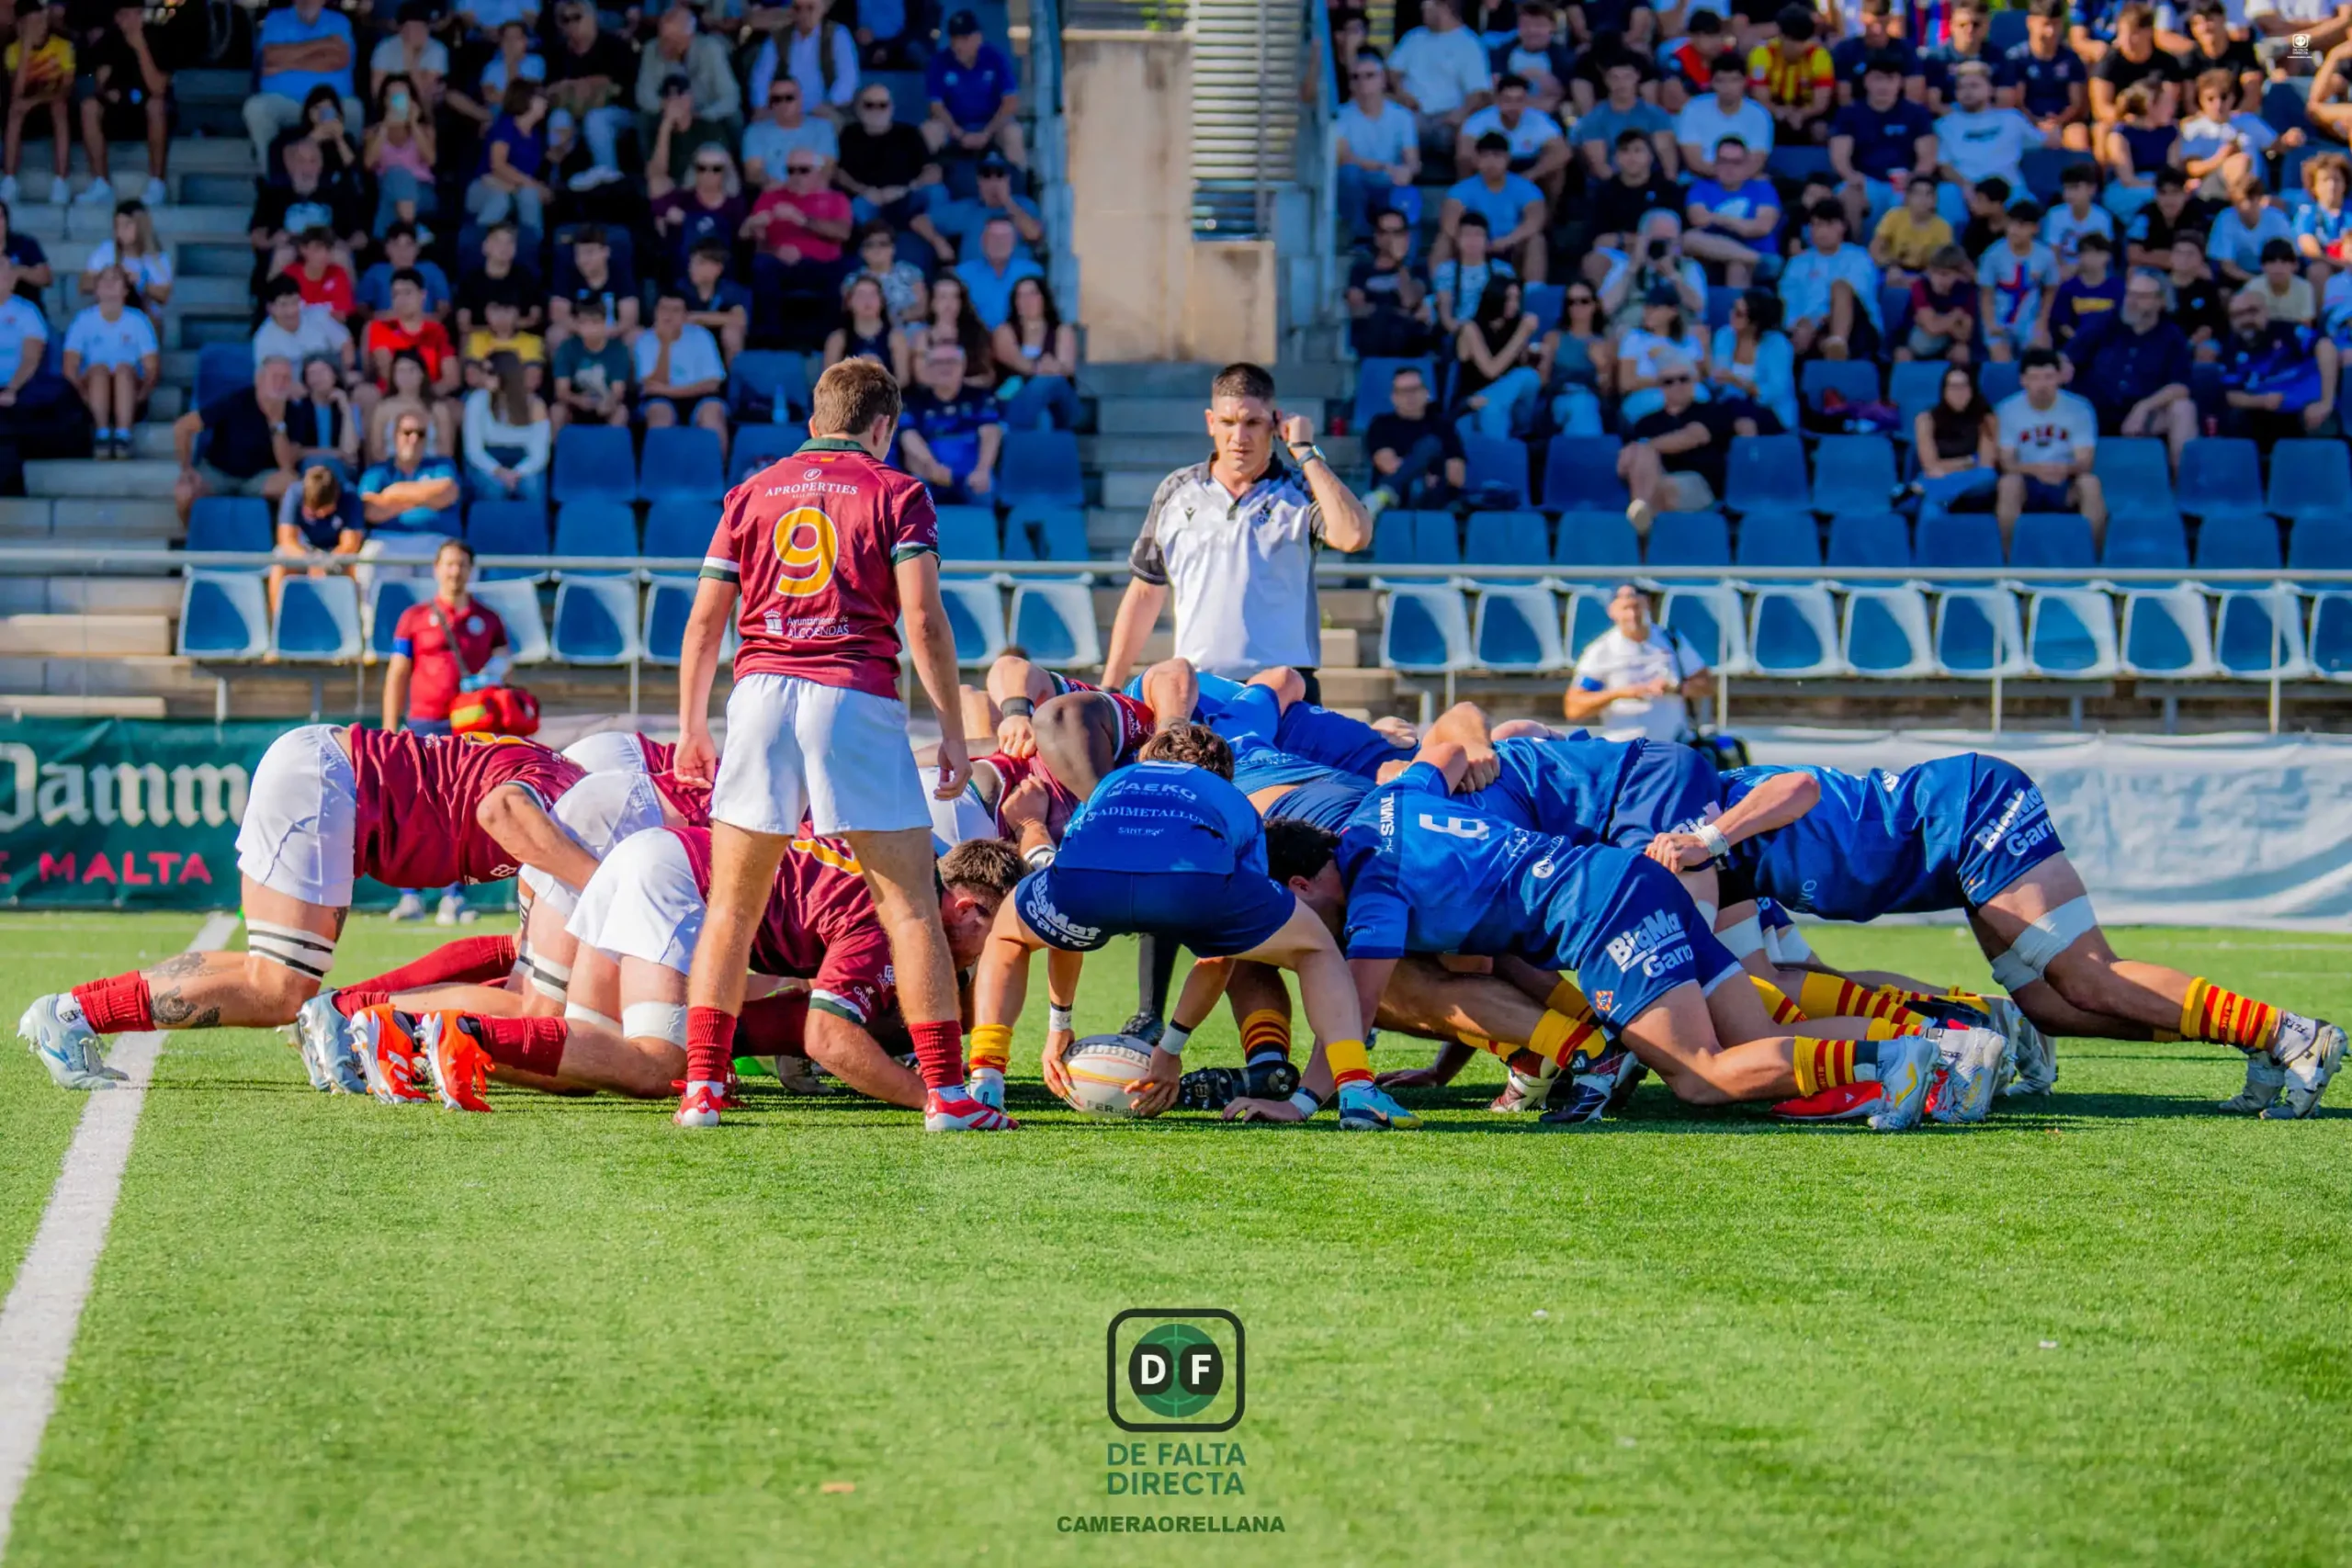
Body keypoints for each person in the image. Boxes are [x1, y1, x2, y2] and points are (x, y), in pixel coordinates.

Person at [1285, 742, 1964, 1129]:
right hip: (1632, 878)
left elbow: (1353, 1020)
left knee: (1701, 1074)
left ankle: (1889, 1063)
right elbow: (1450, 748)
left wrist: (1298, 1100)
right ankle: (1938, 1052)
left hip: (1606, 910)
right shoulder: (1392, 802)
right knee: (1755, 1043)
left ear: (1302, 884)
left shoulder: (1374, 896)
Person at [1653, 756, 2345, 1120]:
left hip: (1969, 810)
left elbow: (1798, 785)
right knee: (2053, 1005)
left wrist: (1708, 835)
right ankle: (2257, 1039)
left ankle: (2291, 1033)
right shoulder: (1724, 869)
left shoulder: (1722, 805)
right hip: (1954, 855)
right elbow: (1763, 985)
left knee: (2088, 974)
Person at [669, 358, 979, 1129]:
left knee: (732, 910)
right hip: (852, 692)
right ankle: (946, 1095)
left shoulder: (751, 491)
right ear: (883, 427)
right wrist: (952, 730)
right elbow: (925, 620)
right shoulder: (898, 490)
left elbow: (705, 623)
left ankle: (703, 1087)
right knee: (907, 906)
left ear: (814, 422)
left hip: (763, 694)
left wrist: (689, 726)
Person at [19, 727, 590, 1090]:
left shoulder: (572, 792)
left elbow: (519, 957)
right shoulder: (567, 803)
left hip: (328, 775)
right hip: (334, 785)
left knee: (270, 974)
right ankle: (69, 1016)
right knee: (276, 987)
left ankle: (75, 1011)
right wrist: (600, 879)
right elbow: (502, 811)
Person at [968, 730, 1414, 1131]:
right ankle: (1356, 1090)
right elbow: (1220, 955)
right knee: (1316, 947)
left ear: (1147, 758)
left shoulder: (1114, 783)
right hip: (1191, 884)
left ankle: (985, 1082)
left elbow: (1065, 930)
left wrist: (1059, 1025)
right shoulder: (1229, 798)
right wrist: (1170, 1049)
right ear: (1225, 776)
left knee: (1009, 934)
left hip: (1088, 881)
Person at [1102, 364, 1374, 691]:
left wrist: (1305, 452)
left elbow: (1354, 535)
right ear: (1210, 422)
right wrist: (1111, 687)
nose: (1239, 438)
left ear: (1276, 423)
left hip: (1284, 688)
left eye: (1253, 423)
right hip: (1199, 688)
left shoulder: (1301, 490)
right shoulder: (1176, 490)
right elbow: (1145, 591)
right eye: (1228, 422)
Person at [2061, 268, 2197, 463]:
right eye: (2130, 294)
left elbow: (2182, 386)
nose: (2132, 301)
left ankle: (2182, 486)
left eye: (2142, 296)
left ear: (2161, 301)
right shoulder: (2104, 322)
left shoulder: (2172, 336)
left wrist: (2144, 407)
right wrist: (2064, 367)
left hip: (2142, 417)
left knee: (2184, 409)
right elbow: (2067, 357)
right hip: (2094, 412)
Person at [1565, 582, 1712, 740]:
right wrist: (1619, 693)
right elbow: (1574, 707)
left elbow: (1707, 685)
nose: (1633, 615)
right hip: (1625, 749)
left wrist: (1676, 688)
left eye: (1637, 607)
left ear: (1648, 607)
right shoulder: (1601, 651)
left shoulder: (1671, 639)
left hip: (1675, 745)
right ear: (1612, 612)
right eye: (1626, 608)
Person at [1619, 349, 1745, 529]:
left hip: (1699, 485)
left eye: (1683, 379)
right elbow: (1625, 463)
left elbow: (1693, 437)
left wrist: (1648, 445)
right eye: (1669, 381)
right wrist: (1642, 451)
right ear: (1660, 386)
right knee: (1646, 462)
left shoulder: (1712, 411)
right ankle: (1642, 527)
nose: (1677, 385)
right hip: (1656, 478)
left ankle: (1639, 533)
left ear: (1694, 381)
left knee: (1654, 471)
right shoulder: (1645, 422)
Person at [1994, 346, 2107, 541]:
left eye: (2048, 377)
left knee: (2090, 484)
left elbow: (2085, 462)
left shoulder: (2079, 408)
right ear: (2023, 380)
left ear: (2059, 378)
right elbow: (2006, 462)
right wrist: (2037, 470)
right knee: (2008, 484)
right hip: (2026, 482)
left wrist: (2062, 470)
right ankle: (2008, 562)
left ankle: (2093, 561)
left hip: (2066, 480)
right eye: (2035, 378)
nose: (2042, 384)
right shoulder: (2007, 409)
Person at [175, 355, 299, 519]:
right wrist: (186, 468)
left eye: (286, 378)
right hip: (218, 473)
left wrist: (277, 422)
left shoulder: (294, 410)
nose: (281, 383)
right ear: (260, 379)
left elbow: (286, 466)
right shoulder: (236, 400)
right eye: (275, 377)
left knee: (292, 485)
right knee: (184, 492)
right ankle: (195, 538)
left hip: (258, 478)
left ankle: (283, 539)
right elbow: (183, 427)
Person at [1829, 51, 1939, 235]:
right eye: (1877, 79)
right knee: (1847, 194)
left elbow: (1927, 157)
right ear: (1866, 82)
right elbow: (1839, 157)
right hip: (1865, 180)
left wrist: (1914, 179)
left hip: (1905, 180)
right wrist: (1852, 177)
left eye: (1890, 79)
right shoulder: (1849, 113)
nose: (1883, 86)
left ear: (1900, 82)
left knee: (1922, 195)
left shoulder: (1916, 113)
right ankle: (1855, 253)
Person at [73, 1, 169, 209]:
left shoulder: (157, 36)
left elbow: (159, 87)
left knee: (157, 105)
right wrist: (106, 92)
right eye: (126, 15)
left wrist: (139, 46)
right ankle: (101, 184)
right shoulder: (109, 40)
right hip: (117, 111)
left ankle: (157, 184)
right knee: (88, 106)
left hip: (147, 112)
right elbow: (98, 83)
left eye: (137, 14)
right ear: (117, 17)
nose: (132, 20)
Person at [243, 0, 362, 167]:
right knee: (256, 108)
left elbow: (340, 59)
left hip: (329, 106)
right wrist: (324, 45)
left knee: (353, 109)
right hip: (284, 103)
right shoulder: (276, 19)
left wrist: (286, 60)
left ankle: (348, 177)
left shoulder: (339, 21)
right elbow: (269, 57)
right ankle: (271, 175)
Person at [2215, 287, 2340, 444]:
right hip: (2266, 411)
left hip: (2306, 407)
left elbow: (2325, 346)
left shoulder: (2287, 331)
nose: (2246, 319)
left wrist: (2325, 402)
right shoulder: (2230, 347)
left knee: (2320, 422)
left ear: (2266, 311)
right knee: (2236, 419)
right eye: (2237, 315)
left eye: (2252, 311)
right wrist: (2262, 401)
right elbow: (2231, 396)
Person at [633, 3, 742, 178]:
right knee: (643, 119)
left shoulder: (711, 49)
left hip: (705, 113)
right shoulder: (652, 50)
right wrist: (668, 108)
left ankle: (735, 170)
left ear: (688, 37)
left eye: (671, 40)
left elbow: (730, 96)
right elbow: (643, 95)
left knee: (734, 116)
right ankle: (651, 174)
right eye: (662, 37)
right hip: (668, 114)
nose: (664, 45)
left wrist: (704, 114)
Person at [62, 262, 157, 460]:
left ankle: (124, 434)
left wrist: (143, 393)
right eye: (103, 279)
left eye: (115, 279)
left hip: (131, 391)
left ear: (125, 290)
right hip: (91, 394)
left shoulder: (138, 320)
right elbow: (70, 366)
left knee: (123, 369)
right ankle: (102, 433)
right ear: (96, 290)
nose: (108, 283)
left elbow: (151, 368)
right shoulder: (83, 320)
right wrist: (82, 392)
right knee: (98, 370)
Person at [833, 82, 945, 238]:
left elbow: (933, 171)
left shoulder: (909, 133)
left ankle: (935, 239)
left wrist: (906, 189)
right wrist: (864, 191)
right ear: (858, 108)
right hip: (869, 198)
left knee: (937, 192)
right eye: (869, 105)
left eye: (882, 105)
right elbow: (839, 173)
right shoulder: (849, 134)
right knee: (857, 206)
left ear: (891, 108)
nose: (876, 110)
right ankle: (875, 246)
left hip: (908, 194)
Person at [542, 1, 635, 190]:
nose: (571, 24)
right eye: (565, 19)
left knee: (596, 119)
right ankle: (554, 184)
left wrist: (588, 85)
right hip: (572, 113)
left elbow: (624, 89)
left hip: (618, 114)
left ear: (591, 19)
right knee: (559, 118)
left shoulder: (615, 45)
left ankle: (609, 183)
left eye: (577, 17)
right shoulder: (557, 53)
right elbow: (548, 91)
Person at [1387, 0, 1495, 157]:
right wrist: (1400, 92)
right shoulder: (1414, 37)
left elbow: (1478, 91)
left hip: (1446, 119)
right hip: (1411, 115)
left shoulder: (1468, 43)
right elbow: (1393, 70)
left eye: (1427, 8)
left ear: (1443, 8)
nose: (1422, 13)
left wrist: (1462, 113)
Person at [896, 341, 1001, 501]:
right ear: (929, 368)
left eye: (951, 362)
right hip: (930, 472)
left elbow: (991, 433)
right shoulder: (913, 400)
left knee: (985, 489)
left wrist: (983, 470)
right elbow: (909, 436)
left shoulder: (980, 397)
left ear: (963, 366)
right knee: (913, 493)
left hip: (972, 474)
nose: (945, 368)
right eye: (938, 363)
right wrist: (932, 466)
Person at [1934, 61, 2034, 226]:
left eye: (1974, 86)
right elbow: (1945, 167)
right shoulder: (1944, 125)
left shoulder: (2012, 118)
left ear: (1990, 89)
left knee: (2029, 205)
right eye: (1961, 87)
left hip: (2009, 189)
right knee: (1945, 194)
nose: (1967, 92)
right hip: (1966, 189)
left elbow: (2044, 141)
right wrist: (1966, 186)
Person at [1336, 47, 1424, 236]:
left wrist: (1407, 171)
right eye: (1355, 77)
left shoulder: (1402, 117)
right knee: (1348, 175)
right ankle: (1359, 238)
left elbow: (1413, 161)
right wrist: (1385, 167)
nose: (1362, 82)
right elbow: (1345, 158)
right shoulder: (1340, 116)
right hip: (1359, 186)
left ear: (1383, 80)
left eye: (1369, 75)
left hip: (1390, 185)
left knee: (1408, 192)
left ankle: (1403, 256)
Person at [1780, 201, 1884, 360]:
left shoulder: (1859, 258)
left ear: (1842, 227)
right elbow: (1788, 300)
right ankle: (1827, 347)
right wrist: (1799, 324)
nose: (1822, 231)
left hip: (1857, 327)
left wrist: (1816, 320)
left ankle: (1837, 343)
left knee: (1840, 287)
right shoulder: (1798, 263)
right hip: (1809, 330)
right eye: (1816, 225)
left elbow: (1859, 296)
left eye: (1828, 224)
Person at [635, 291, 731, 456]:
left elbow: (713, 383)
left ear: (685, 316)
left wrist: (669, 391)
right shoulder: (645, 340)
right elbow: (651, 384)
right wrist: (665, 344)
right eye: (664, 309)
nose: (668, 315)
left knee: (712, 414)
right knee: (659, 414)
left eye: (675, 310)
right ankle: (661, 474)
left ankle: (718, 473)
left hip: (700, 396)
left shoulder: (701, 336)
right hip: (660, 399)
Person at [923, 9, 1022, 166]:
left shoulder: (995, 58)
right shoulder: (939, 61)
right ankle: (927, 186)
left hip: (990, 125)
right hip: (954, 127)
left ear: (978, 38)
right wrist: (958, 133)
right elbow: (935, 106)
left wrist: (987, 133)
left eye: (964, 38)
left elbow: (1010, 102)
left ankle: (1018, 185)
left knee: (1013, 132)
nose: (958, 45)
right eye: (954, 38)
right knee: (930, 131)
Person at [1363, 364, 1464, 514]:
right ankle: (1386, 493)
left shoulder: (1443, 427)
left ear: (1427, 393)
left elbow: (1457, 477)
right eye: (1403, 391)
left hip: (1435, 497)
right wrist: (1427, 472)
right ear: (1394, 397)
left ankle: (1383, 493)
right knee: (1429, 449)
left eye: (1415, 390)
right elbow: (1388, 465)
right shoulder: (1381, 424)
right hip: (1398, 500)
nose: (1410, 396)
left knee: (1431, 444)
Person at [1457, 73, 1570, 206]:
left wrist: (1530, 175)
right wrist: (1492, 171)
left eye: (1519, 100)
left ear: (1527, 101)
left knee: (1557, 170)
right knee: (1464, 163)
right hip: (1492, 164)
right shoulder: (1479, 120)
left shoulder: (1539, 119)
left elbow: (1563, 152)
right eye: (1507, 100)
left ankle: (1547, 220)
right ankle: (1468, 208)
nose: (1513, 106)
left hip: (1528, 165)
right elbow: (1464, 153)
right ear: (1498, 100)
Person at [1683, 136, 1782, 287]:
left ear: (1746, 165)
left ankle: (1736, 308)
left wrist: (1717, 219)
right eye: (1723, 161)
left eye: (1736, 162)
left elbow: (1762, 227)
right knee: (1688, 239)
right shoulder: (1701, 187)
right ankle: (1756, 259)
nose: (1729, 168)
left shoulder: (1763, 188)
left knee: (1737, 263)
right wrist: (1741, 225)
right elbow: (1698, 219)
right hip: (1711, 252)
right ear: (1715, 164)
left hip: (1754, 249)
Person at [269, 464, 366, 614]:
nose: (319, 515)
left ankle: (354, 622)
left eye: (324, 510)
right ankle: (278, 622)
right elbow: (287, 540)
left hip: (336, 553)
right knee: (279, 562)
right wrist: (311, 560)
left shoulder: (350, 496)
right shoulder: (294, 493)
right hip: (305, 550)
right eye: (313, 512)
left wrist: (325, 563)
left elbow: (350, 544)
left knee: (356, 567)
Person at [3, 6, 74, 208]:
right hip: (26, 111)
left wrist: (33, 101)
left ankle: (61, 181)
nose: (38, 28)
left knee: (59, 107)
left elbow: (65, 90)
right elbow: (17, 91)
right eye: (32, 23)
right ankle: (9, 180)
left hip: (52, 106)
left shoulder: (63, 47)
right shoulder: (13, 51)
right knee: (15, 109)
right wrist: (25, 48)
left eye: (41, 22)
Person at [1907, 361, 2000, 516]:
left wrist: (1946, 468)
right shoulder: (1925, 419)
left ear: (1972, 390)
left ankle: (1925, 488)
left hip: (1975, 481)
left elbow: (1986, 464)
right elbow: (1930, 466)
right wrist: (1968, 461)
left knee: (1988, 476)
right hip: (1941, 478)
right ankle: (1935, 495)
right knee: (1932, 507)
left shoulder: (1986, 418)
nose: (1959, 392)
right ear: (1944, 390)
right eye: (1953, 387)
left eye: (1964, 386)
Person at [461, 350, 550, 508]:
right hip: (489, 461)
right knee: (494, 488)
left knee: (531, 486)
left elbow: (539, 454)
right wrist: (498, 471)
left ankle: (534, 530)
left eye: (490, 372)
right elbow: (473, 450)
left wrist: (517, 473)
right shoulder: (476, 401)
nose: (483, 377)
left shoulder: (535, 405)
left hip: (523, 462)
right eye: (483, 371)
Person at [359, 409, 464, 541]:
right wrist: (425, 500)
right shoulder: (377, 471)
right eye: (407, 432)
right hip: (386, 540)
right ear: (395, 435)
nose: (414, 439)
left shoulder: (443, 465)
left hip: (437, 539)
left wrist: (393, 493)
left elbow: (447, 493)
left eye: (421, 434)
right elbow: (369, 510)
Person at [991, 274, 1080, 431]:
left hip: (1059, 402)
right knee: (1042, 418)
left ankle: (1013, 430)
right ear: (1015, 302)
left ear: (1044, 299)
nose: (1027, 300)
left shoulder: (1062, 331)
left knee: (1050, 382)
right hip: (1013, 396)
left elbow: (1067, 369)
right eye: (1021, 295)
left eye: (1033, 294)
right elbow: (1014, 360)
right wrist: (1041, 368)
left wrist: (1049, 371)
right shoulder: (1004, 331)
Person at [466, 83, 551, 242]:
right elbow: (498, 166)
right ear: (526, 100)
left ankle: (531, 246)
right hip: (485, 186)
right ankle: (478, 245)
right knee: (502, 198)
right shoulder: (505, 126)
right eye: (540, 98)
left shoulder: (536, 136)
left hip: (517, 189)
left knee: (529, 195)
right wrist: (532, 184)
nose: (546, 103)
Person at [1616, 281, 1711, 423]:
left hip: (1687, 395)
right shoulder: (1634, 339)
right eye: (1647, 307)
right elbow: (1626, 383)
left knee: (1702, 397)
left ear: (1673, 311)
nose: (1648, 312)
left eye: (1655, 308)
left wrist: (1705, 347)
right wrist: (1667, 382)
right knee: (1662, 403)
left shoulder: (1689, 342)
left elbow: (1698, 377)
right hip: (1645, 396)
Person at [2004, 0, 2091, 153]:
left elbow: (2076, 104)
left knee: (2079, 136)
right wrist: (2037, 122)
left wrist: (2057, 122)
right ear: (2030, 23)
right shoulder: (2016, 59)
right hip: (2026, 122)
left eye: (2056, 24)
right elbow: (2017, 103)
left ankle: (2082, 177)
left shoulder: (2071, 59)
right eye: (2045, 24)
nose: (2051, 32)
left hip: (2064, 123)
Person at [1347, 208, 1436, 358]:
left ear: (1407, 237)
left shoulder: (1419, 269)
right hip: (1372, 336)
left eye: (1397, 232)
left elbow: (1409, 300)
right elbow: (1357, 309)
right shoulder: (1361, 269)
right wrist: (1394, 312)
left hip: (1409, 340)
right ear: (1376, 236)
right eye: (1385, 232)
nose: (1391, 239)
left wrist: (1400, 263)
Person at [1978, 198, 2058, 360]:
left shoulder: (2045, 256)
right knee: (2002, 361)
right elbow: (1986, 294)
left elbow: (2051, 289)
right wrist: (1990, 324)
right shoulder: (1993, 255)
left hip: (2029, 321)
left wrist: (2042, 321)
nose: (2013, 230)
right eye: (2011, 224)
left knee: (2042, 354)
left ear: (2034, 228)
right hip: (1999, 320)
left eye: (2021, 225)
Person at [1709, 287, 1798, 429]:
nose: (1731, 315)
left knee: (1741, 417)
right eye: (1732, 308)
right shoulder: (1724, 335)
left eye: (1738, 314)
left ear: (1755, 321)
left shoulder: (1777, 344)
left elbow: (1776, 391)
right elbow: (1717, 379)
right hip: (1731, 403)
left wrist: (1739, 382)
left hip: (1771, 410)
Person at [1678, 49, 1775, 177]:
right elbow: (1694, 161)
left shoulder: (1759, 114)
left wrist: (1731, 179)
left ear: (1745, 82)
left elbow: (1756, 162)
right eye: (1721, 81)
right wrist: (1725, 177)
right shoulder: (1693, 109)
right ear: (1712, 83)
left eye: (1734, 80)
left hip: (1744, 181)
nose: (1728, 87)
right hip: (1702, 179)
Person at [1749, 5, 1836, 145]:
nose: (1799, 47)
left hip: (1807, 111)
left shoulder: (1819, 55)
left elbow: (1821, 102)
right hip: (1772, 109)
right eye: (1794, 41)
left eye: (1803, 41)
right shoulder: (1761, 54)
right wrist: (1779, 112)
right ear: (1781, 36)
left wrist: (1801, 114)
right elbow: (1760, 97)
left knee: (1821, 129)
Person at [1585, 54, 1681, 178]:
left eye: (1627, 77)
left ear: (1637, 77)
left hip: (1652, 181)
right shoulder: (1593, 119)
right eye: (1615, 78)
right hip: (1614, 185)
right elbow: (1600, 167)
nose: (1621, 84)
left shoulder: (1656, 114)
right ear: (1606, 81)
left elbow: (1668, 161)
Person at [365, 73, 436, 234]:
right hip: (387, 186)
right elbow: (369, 164)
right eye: (393, 96)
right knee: (397, 175)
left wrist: (413, 124)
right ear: (385, 100)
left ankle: (386, 242)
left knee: (398, 184)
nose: (398, 101)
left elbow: (431, 160)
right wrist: (385, 127)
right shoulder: (373, 131)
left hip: (421, 189)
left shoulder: (425, 129)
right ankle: (412, 233)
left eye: (403, 96)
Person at [547, 224, 639, 347]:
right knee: (555, 334)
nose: (583, 260)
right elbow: (559, 313)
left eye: (589, 253)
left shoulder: (620, 272)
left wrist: (606, 332)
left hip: (613, 334)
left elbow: (629, 317)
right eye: (578, 254)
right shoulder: (568, 272)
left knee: (636, 336)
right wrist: (585, 331)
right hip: (578, 334)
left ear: (605, 252)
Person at [743, 75, 840, 191]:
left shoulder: (822, 128)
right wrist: (781, 187)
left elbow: (827, 168)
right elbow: (753, 173)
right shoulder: (755, 132)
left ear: (800, 99)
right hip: (775, 193)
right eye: (777, 99)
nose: (783, 104)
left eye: (789, 98)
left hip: (814, 193)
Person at [253, 274, 353, 379]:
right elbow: (269, 379)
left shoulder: (318, 316)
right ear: (270, 308)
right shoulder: (264, 339)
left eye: (295, 302)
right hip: (292, 390)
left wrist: (344, 375)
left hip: (331, 383)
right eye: (283, 305)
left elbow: (346, 345)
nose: (291, 311)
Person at [952, 213, 1044, 329]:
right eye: (993, 237)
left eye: (1004, 237)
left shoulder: (1032, 272)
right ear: (983, 241)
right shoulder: (962, 274)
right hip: (975, 341)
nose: (999, 242)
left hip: (1019, 339)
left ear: (1014, 242)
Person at [549, 306, 631, 434]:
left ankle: (609, 451)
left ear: (604, 324)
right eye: (584, 323)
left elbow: (618, 391)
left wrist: (608, 402)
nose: (590, 328)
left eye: (595, 322)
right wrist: (578, 400)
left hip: (606, 404)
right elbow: (561, 391)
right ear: (577, 325)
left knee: (621, 412)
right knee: (557, 411)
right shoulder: (567, 347)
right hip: (575, 404)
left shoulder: (618, 349)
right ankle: (559, 452)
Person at [456, 221, 541, 341]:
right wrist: (494, 330)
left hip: (517, 338)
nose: (504, 247)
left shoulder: (526, 277)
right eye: (497, 242)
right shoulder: (470, 279)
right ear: (485, 246)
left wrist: (506, 329)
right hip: (481, 338)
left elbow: (534, 318)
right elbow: (464, 325)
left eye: (509, 242)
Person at [1898, 243, 1982, 363]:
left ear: (1958, 274)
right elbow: (1932, 328)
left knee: (1962, 353)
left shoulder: (1966, 290)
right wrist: (1955, 316)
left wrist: (1937, 322)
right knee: (1904, 355)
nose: (1938, 279)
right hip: (1912, 339)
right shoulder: (1920, 287)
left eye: (1945, 274)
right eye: (1934, 272)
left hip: (1950, 343)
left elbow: (1964, 334)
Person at [2208, 173, 2296, 286]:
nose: (2241, 206)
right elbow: (2227, 265)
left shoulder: (2277, 219)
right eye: (2237, 201)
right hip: (2237, 279)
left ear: (2259, 199)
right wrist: (2258, 282)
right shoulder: (2225, 218)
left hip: (2276, 277)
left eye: (2247, 200)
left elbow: (2289, 260)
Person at [2041, 229, 2125, 344]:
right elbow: (2063, 325)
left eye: (2098, 252)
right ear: (2079, 257)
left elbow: (2121, 323)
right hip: (2074, 347)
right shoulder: (2068, 289)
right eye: (2087, 252)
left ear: (2108, 256)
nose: (2093, 257)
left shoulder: (2119, 288)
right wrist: (2081, 342)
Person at [355, 223, 450, 322]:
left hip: (424, 328)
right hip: (386, 327)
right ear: (387, 249)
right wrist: (377, 317)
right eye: (396, 245)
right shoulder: (376, 272)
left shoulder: (431, 270)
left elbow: (444, 306)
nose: (402, 251)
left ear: (417, 249)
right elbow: (361, 306)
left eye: (408, 245)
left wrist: (430, 321)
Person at [1872, 171, 1955, 283]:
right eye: (1917, 194)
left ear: (1935, 200)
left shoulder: (1943, 227)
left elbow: (1942, 264)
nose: (1923, 199)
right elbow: (1875, 249)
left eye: (1928, 194)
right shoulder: (1894, 216)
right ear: (1907, 198)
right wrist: (1890, 267)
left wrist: (1915, 279)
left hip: (1924, 275)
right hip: (1892, 269)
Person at [288, 353, 361, 476]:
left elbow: (350, 451)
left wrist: (346, 409)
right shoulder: (298, 408)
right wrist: (334, 453)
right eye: (312, 373)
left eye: (323, 371)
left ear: (334, 375)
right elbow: (296, 452)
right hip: (310, 468)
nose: (318, 378)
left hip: (342, 468)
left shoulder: (347, 406)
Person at [679, 241, 750, 363]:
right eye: (692, 263)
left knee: (732, 333)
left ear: (718, 268)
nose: (692, 268)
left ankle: (734, 380)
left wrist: (697, 317)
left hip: (719, 339)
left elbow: (739, 319)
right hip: (690, 338)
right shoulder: (681, 288)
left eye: (700, 263)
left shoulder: (730, 290)